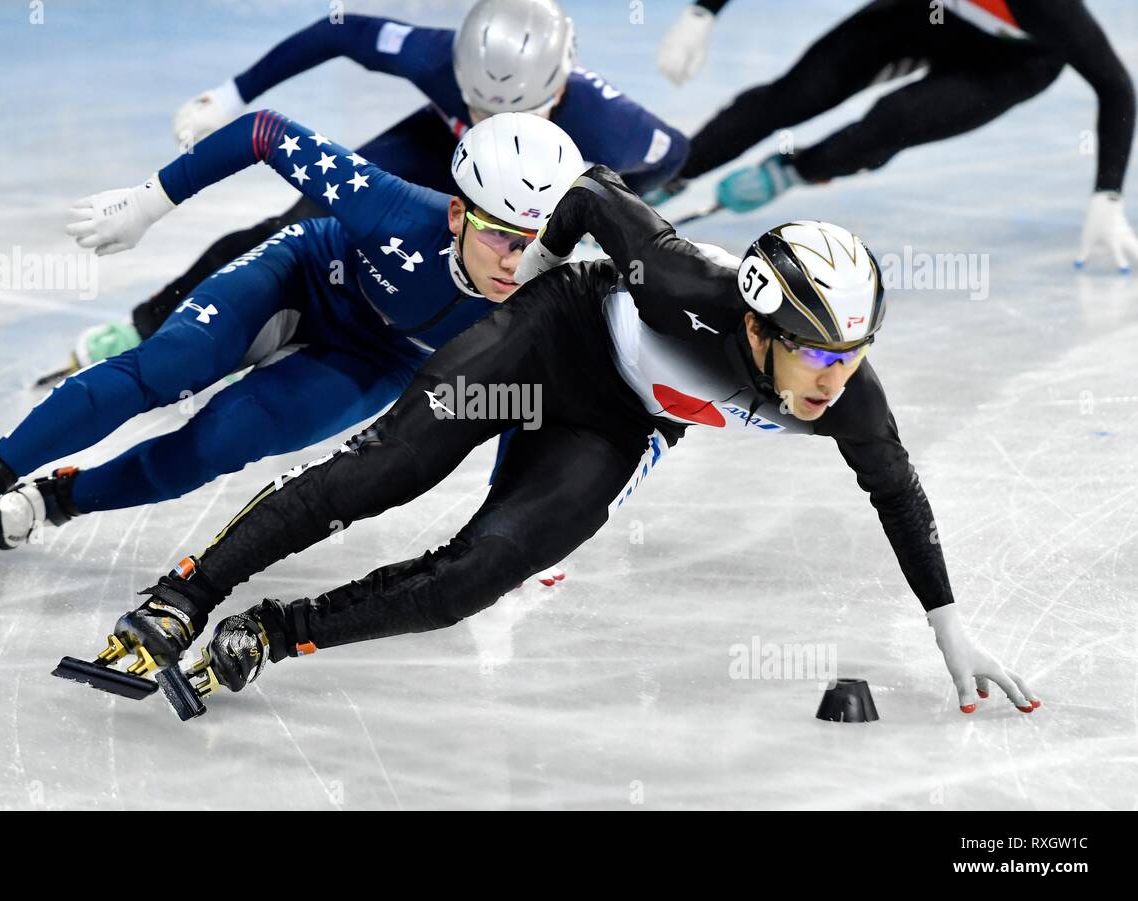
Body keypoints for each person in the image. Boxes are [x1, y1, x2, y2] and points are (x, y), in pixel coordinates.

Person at [89, 166, 1039, 717]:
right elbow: (588, 196)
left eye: (852, 355)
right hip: (548, 337)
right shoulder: (684, 281)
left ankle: (276, 631)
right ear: (756, 328)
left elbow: (898, 495)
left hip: (613, 422)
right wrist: (530, 275)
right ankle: (187, 591)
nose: (834, 381)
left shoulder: (851, 401)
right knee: (387, 470)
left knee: (471, 579)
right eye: (818, 355)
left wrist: (950, 628)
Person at [0, 110, 585, 567]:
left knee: (215, 446)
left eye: (538, 244)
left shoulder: (543, 297)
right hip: (307, 276)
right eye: (502, 235)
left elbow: (522, 420)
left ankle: (57, 499)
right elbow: (263, 132)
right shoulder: (393, 208)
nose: (515, 262)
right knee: (167, 367)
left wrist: (508, 530)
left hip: (373, 359)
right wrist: (149, 200)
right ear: (459, 213)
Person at [57, 0, 688, 375]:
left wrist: (599, 212)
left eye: (517, 109)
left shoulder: (617, 128)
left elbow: (671, 159)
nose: (491, 122)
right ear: (460, 75)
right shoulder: (435, 55)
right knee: (288, 226)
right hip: (434, 150)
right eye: (478, 105)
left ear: (561, 84)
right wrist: (230, 95)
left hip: (528, 185)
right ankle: (150, 323)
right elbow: (337, 31)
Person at [654, 0, 1138, 271]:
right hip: (925, 15)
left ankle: (797, 169)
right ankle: (667, 173)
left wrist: (1107, 195)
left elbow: (1115, 85)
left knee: (891, 122)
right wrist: (703, 12)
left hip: (1009, 62)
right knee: (797, 93)